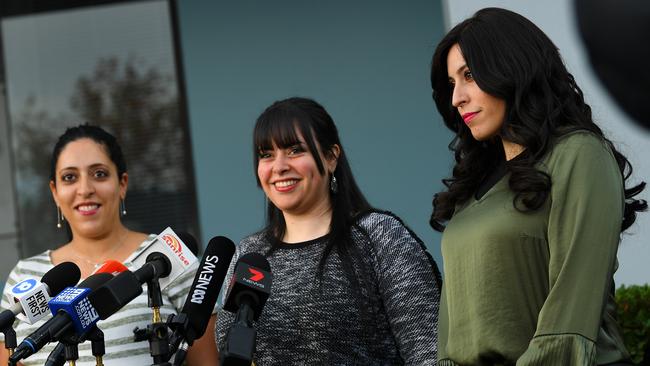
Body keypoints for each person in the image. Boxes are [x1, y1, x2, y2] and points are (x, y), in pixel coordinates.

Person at [429, 8, 647, 365]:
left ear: (511, 67)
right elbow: (453, 338)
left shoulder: (578, 154)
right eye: (452, 84)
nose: (457, 98)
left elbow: (570, 317)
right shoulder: (470, 190)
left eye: (469, 75)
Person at [215, 97, 441, 365]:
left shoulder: (379, 236)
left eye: (295, 150)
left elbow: (428, 352)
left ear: (331, 157)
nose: (279, 167)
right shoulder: (249, 254)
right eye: (266, 154)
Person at [0, 124, 218, 365]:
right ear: (55, 192)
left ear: (122, 183)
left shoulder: (168, 258)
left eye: (100, 174)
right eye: (70, 177)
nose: (85, 189)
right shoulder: (24, 276)